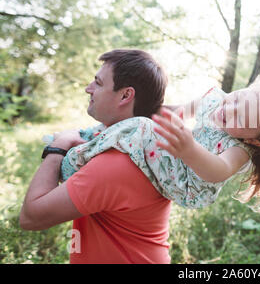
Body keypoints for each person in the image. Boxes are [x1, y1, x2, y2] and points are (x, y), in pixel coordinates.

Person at [61, 71, 260, 231]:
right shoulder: (217, 101)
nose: (229, 109)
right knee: (140, 125)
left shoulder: (240, 150)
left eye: (240, 119)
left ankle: (75, 163)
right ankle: (91, 138)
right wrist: (151, 112)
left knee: (139, 129)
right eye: (237, 99)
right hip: (178, 155)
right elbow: (176, 111)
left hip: (187, 178)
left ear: (255, 140)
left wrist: (188, 149)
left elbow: (216, 171)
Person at [19, 49, 171, 264]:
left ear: (126, 95)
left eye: (98, 83)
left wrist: (56, 149)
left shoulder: (116, 163)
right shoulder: (146, 145)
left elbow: (30, 217)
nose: (88, 89)